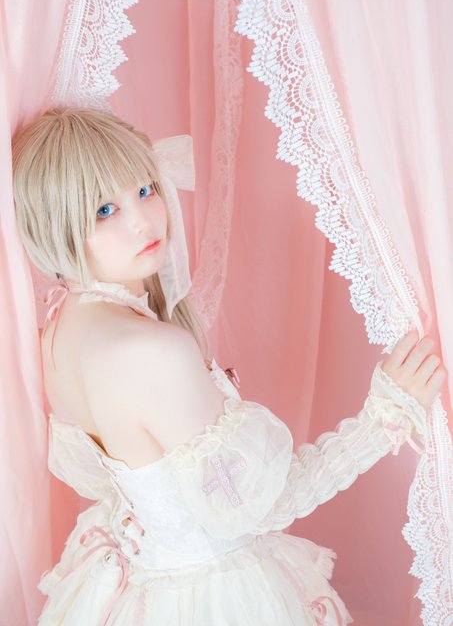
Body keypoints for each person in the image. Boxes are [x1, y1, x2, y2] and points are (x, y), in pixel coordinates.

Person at [12, 106, 446, 626]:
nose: (144, 220)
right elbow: (266, 505)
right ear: (58, 227)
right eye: (105, 210)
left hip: (139, 587)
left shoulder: (59, 326)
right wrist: (385, 416)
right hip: (211, 597)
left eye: (146, 189)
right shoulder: (153, 351)